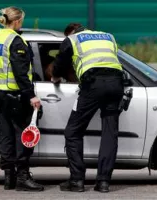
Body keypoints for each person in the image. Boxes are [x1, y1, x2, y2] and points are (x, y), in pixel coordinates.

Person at [51, 23, 124, 193]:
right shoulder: (108, 36)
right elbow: (112, 60)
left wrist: (56, 77)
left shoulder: (72, 39)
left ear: (70, 32)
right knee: (109, 132)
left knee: (73, 131)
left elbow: (60, 61)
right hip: (116, 84)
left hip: (93, 85)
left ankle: (77, 181)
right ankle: (104, 182)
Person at [0, 6, 44, 191]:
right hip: (16, 94)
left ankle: (8, 177)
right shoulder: (16, 40)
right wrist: (32, 96)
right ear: (18, 20)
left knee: (6, 136)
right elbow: (21, 73)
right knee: (23, 135)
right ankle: (22, 177)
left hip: (1, 94)